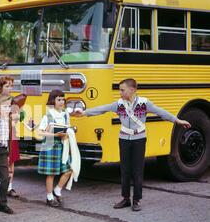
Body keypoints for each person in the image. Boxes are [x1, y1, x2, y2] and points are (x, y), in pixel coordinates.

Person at [74, 78, 191, 211]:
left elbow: (161, 112)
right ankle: (125, 198)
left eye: (122, 90)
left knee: (137, 169)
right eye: (120, 90)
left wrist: (177, 120)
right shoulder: (118, 104)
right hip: (124, 139)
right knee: (125, 169)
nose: (120, 93)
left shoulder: (144, 103)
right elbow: (102, 109)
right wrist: (84, 113)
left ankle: (137, 200)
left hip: (139, 139)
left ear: (132, 90)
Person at [0, 76, 24, 198]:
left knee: (11, 160)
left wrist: (19, 114)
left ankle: (9, 186)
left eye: (11, 86)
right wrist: (9, 116)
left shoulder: (14, 100)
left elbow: (21, 115)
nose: (10, 88)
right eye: (7, 86)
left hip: (11, 132)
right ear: (0, 87)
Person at [37, 90, 73, 207]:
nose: (62, 102)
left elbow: (67, 129)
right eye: (59, 99)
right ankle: (49, 197)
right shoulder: (48, 115)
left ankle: (57, 190)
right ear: (53, 101)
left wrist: (69, 133)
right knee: (51, 174)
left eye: (63, 99)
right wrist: (55, 135)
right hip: (50, 146)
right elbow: (40, 133)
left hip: (63, 145)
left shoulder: (66, 114)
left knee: (69, 170)